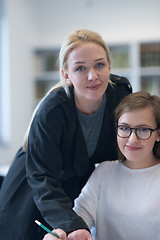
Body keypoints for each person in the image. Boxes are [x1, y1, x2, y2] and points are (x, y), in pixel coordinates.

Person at [0, 29, 132, 240]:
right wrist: (70, 223)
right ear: (66, 75)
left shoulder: (120, 94)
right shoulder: (52, 111)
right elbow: (42, 178)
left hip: (75, 182)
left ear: (109, 64)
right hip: (35, 185)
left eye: (99, 64)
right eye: (80, 68)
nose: (93, 76)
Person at [44, 91, 160, 240]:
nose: (132, 139)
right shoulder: (104, 172)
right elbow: (79, 218)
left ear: (158, 134)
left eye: (143, 130)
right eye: (124, 128)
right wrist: (63, 233)